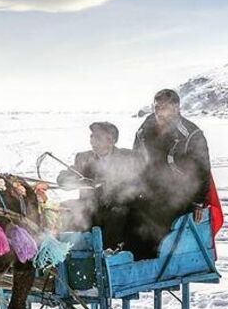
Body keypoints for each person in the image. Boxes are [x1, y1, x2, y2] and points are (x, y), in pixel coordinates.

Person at [128, 88, 212, 258]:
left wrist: (198, 202)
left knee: (157, 217)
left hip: (180, 193)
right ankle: (130, 263)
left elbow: (203, 169)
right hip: (150, 189)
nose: (158, 111)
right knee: (126, 212)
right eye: (156, 107)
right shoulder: (145, 127)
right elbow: (135, 158)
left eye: (163, 107)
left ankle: (154, 265)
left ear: (176, 107)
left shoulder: (191, 133)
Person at [57, 121, 139, 249]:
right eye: (92, 136)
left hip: (116, 206)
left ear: (111, 141)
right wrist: (71, 180)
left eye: (98, 138)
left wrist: (113, 187)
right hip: (89, 205)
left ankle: (106, 254)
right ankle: (69, 251)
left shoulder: (127, 157)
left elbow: (136, 183)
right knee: (64, 208)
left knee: (117, 213)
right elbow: (64, 177)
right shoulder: (83, 158)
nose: (93, 141)